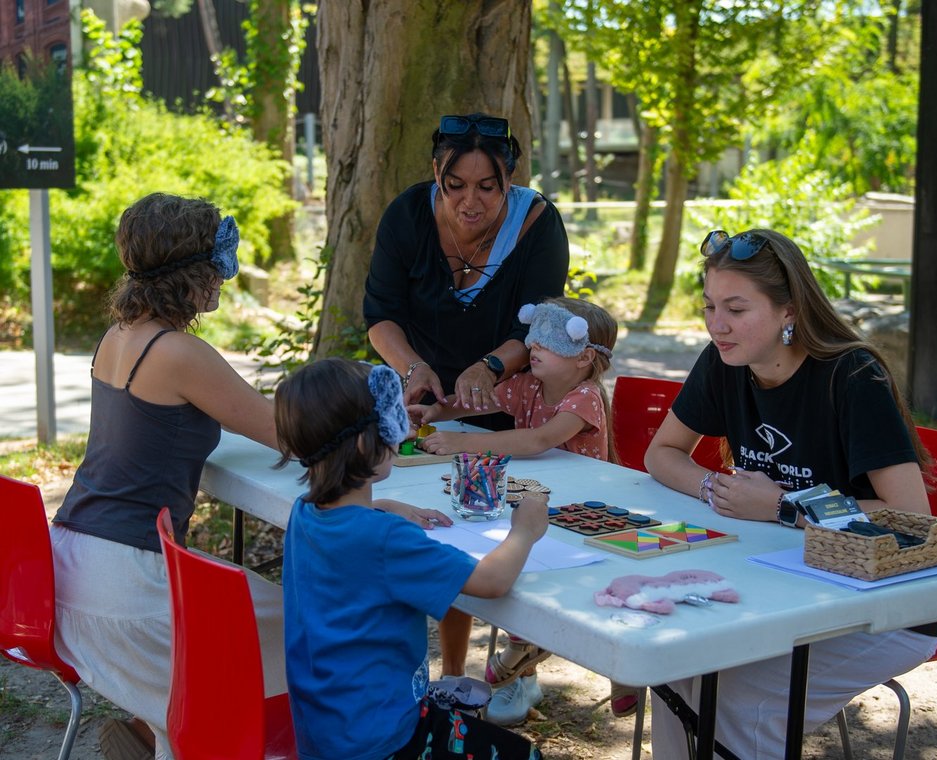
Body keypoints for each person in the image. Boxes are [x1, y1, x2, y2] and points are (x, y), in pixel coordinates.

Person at [48, 193, 445, 760]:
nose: (221, 281)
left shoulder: (117, 338)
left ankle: (155, 734)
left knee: (250, 629)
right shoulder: (178, 351)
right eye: (214, 267)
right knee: (298, 626)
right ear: (189, 275)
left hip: (71, 564)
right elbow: (293, 434)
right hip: (125, 586)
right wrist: (381, 420)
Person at [642, 228, 937, 759]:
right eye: (710, 306)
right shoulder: (724, 360)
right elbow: (661, 452)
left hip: (881, 606)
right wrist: (716, 487)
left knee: (736, 701)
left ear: (789, 312)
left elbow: (907, 515)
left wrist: (785, 508)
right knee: (675, 664)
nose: (717, 324)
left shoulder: (852, 377)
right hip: (772, 581)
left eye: (736, 308)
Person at [363, 111, 570, 680]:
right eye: (456, 186)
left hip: (506, 407)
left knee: (503, 530)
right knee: (447, 531)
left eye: (487, 187)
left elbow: (542, 326)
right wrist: (414, 369)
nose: (470, 203)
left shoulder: (537, 223)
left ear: (510, 179)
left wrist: (492, 365)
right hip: (428, 403)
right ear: (436, 173)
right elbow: (380, 316)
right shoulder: (407, 214)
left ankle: (517, 669)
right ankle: (453, 677)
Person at [274, 358, 549, 760]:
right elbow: (491, 581)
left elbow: (353, 531)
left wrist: (384, 505)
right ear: (368, 444)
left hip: (326, 729)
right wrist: (524, 530)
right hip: (386, 738)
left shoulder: (305, 511)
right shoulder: (386, 539)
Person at [411, 297, 635, 725]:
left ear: (583, 357)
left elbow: (537, 442)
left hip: (585, 513)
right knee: (509, 559)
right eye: (533, 341)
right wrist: (435, 412)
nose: (532, 349)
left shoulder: (584, 396)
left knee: (583, 581)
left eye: (546, 345)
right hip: (541, 503)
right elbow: (474, 403)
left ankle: (617, 672)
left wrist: (462, 443)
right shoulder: (528, 385)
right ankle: (524, 650)